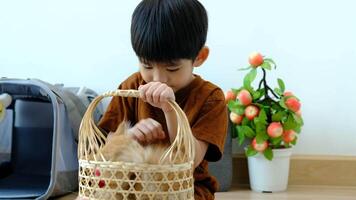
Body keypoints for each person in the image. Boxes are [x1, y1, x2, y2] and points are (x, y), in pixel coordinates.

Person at [98, 0, 228, 199]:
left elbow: (189, 160)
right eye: (147, 66)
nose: (158, 79)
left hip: (186, 189)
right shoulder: (131, 87)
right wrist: (130, 136)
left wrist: (170, 109)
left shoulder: (210, 98)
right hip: (131, 186)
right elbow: (105, 151)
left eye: (172, 68)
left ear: (200, 57)